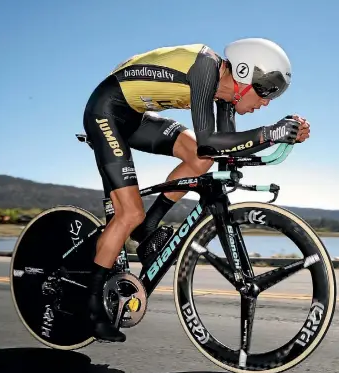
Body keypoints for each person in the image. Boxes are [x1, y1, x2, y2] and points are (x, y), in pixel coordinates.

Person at [82, 38, 311, 342]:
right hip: (106, 110)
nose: (266, 102)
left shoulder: (225, 96)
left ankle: (149, 227)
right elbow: (209, 141)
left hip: (135, 116)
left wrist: (282, 137)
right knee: (130, 213)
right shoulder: (205, 67)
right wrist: (270, 132)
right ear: (242, 74)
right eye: (265, 91)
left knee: (200, 161)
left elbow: (225, 151)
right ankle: (93, 305)